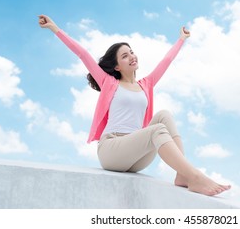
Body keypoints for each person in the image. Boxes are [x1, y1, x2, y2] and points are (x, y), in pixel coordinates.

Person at [38, 14, 230, 196]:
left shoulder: (145, 85)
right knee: (157, 130)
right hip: (112, 150)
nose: (131, 56)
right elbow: (83, 54)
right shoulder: (109, 83)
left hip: (135, 156)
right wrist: (54, 28)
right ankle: (195, 176)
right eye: (124, 56)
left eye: (131, 52)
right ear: (116, 67)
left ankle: (183, 174)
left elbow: (166, 60)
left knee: (164, 116)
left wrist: (181, 39)